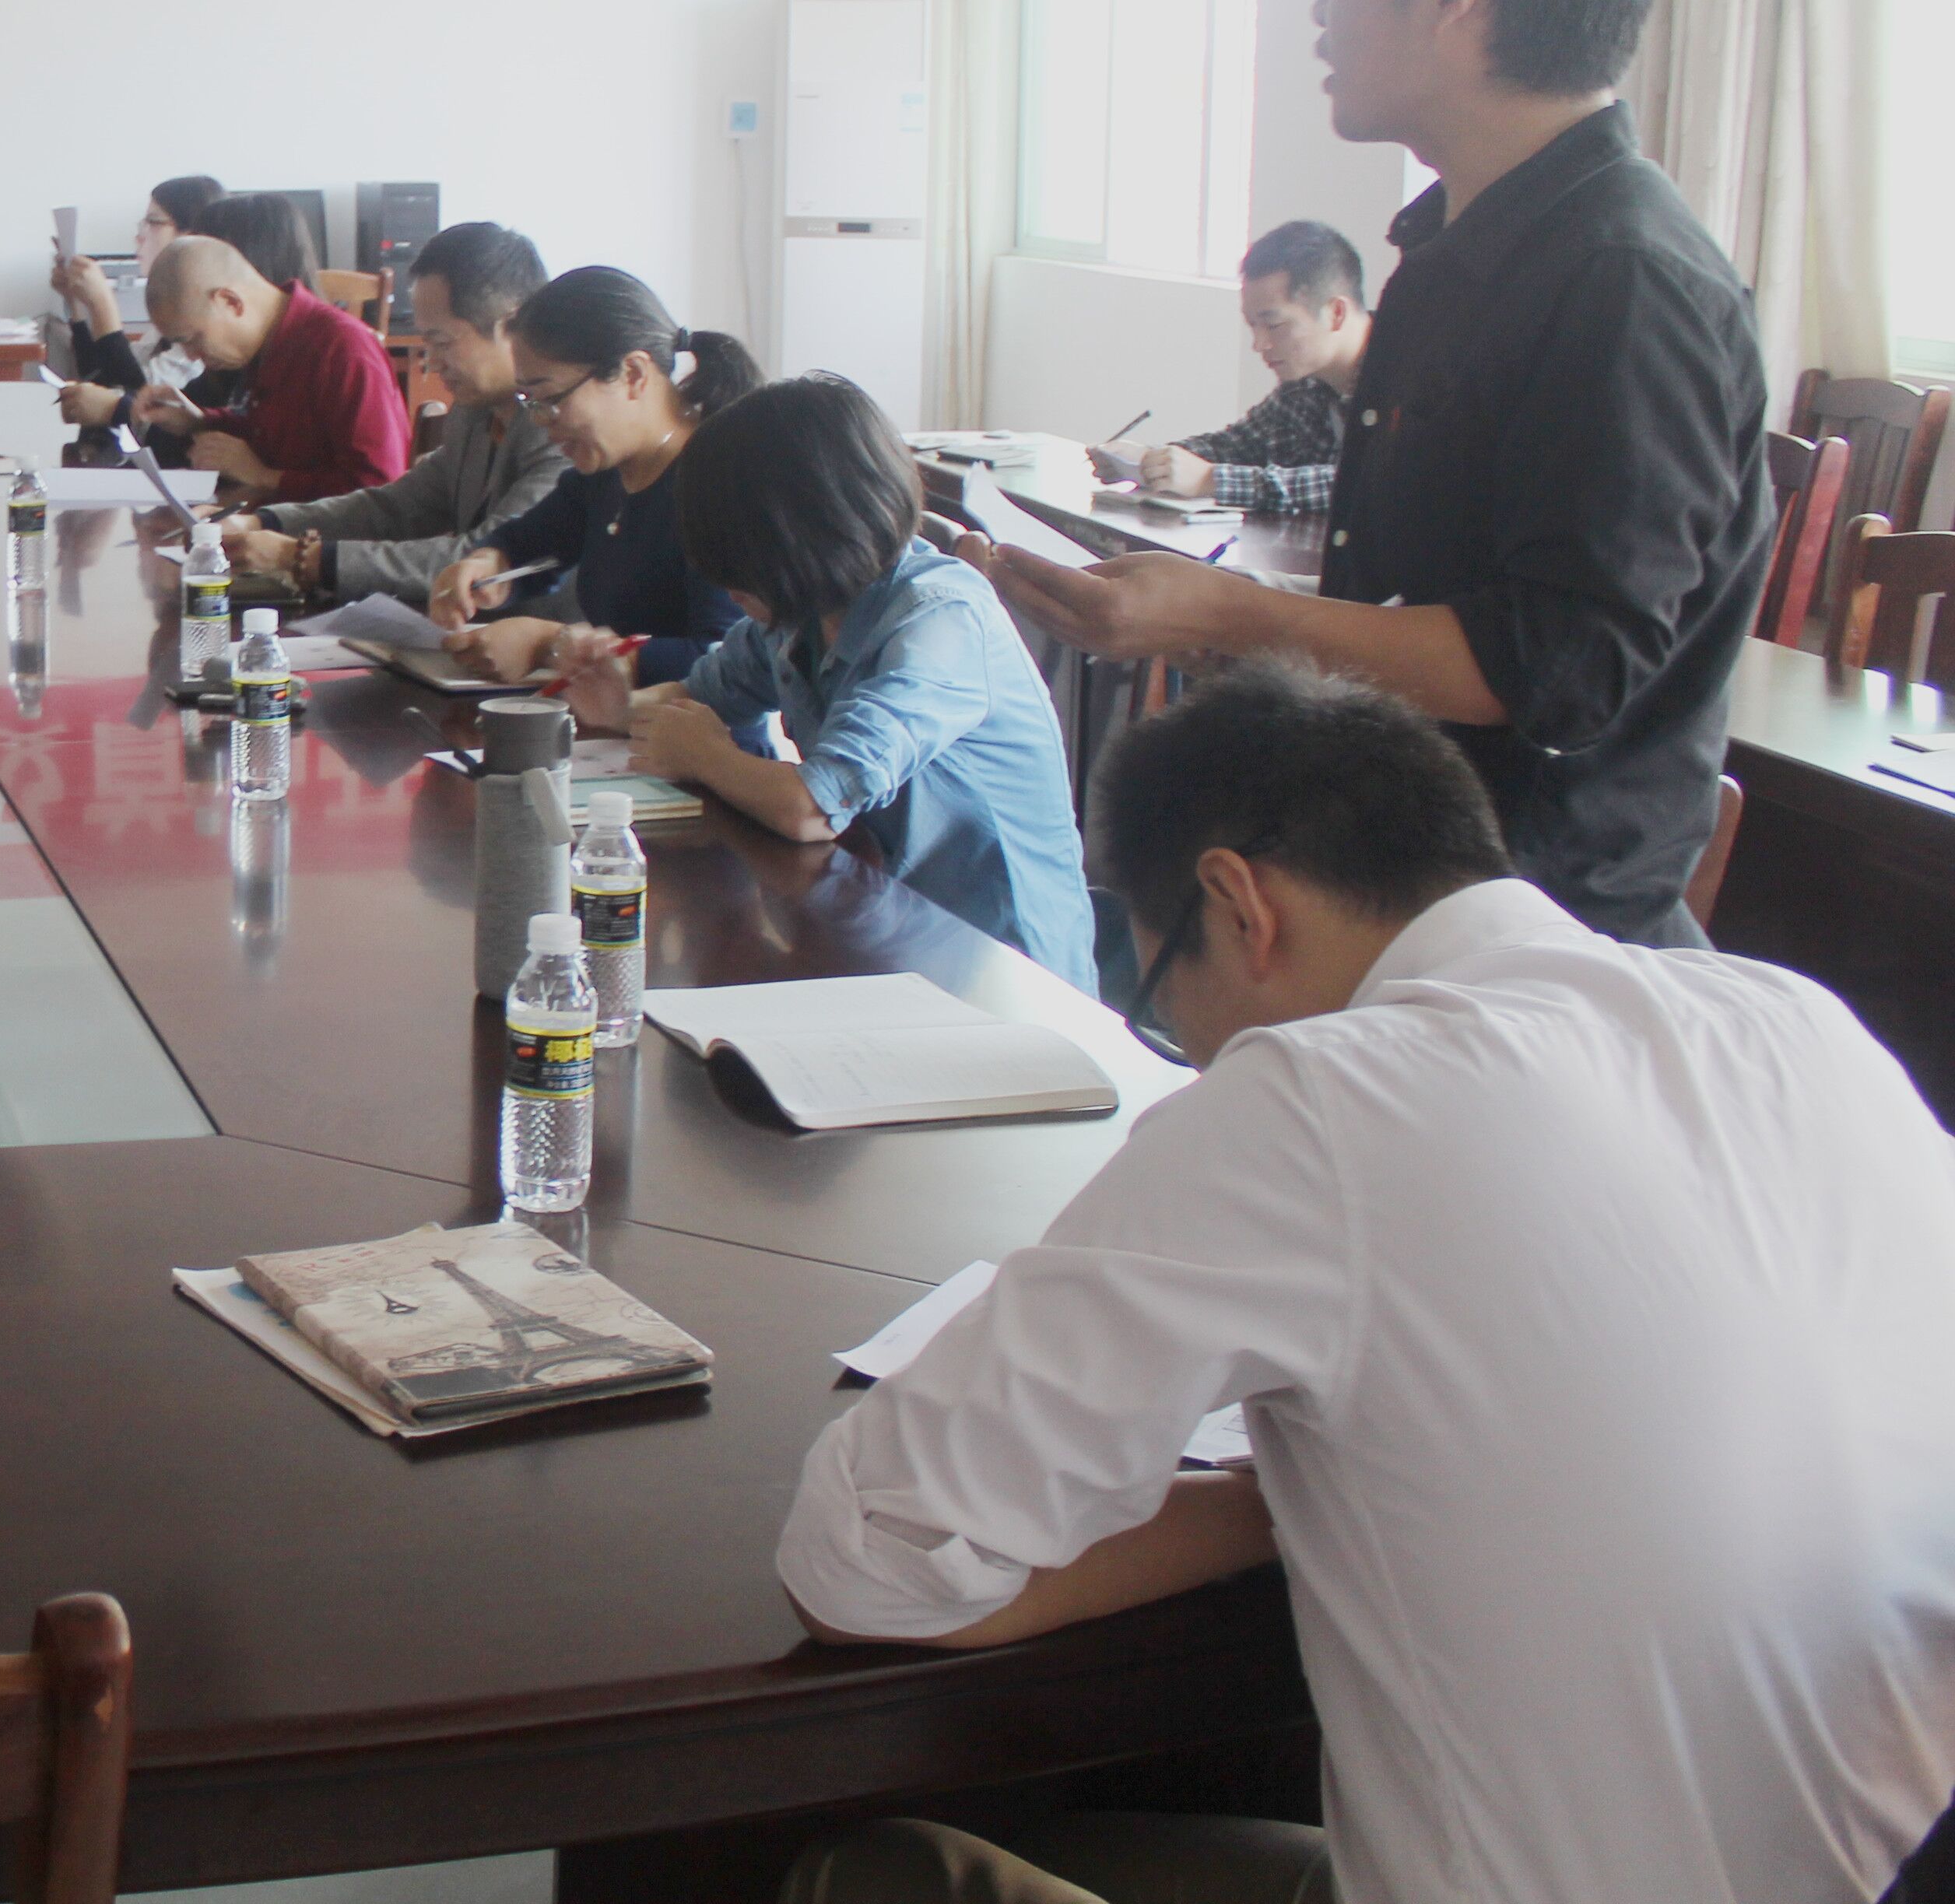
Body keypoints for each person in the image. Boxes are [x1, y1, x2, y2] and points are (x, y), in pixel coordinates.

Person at [774, 664, 1955, 1904]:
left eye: (1166, 1004)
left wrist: (1268, 1503)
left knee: (877, 1872)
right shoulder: (1796, 1020)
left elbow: (869, 1558)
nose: (1191, 1052)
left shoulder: (1321, 1097)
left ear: (1239, 905)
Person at [979, 0, 1766, 947]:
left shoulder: (1625, 278)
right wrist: (1199, 617)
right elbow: (1413, 598)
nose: (1320, 2)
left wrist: (1235, 612)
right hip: (1399, 882)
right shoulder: (1453, 250)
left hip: (1531, 934)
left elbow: (1554, 672)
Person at [634, 376, 1091, 988]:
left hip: (1004, 969)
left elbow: (812, 808)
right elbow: (696, 698)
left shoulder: (938, 621)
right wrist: (623, 706)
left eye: (739, 561)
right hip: (892, 934)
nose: (725, 585)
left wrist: (706, 755)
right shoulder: (800, 609)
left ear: (808, 536)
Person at [425, 267, 760, 715]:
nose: (540, 422)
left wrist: (551, 645)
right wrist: (485, 565)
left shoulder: (720, 488)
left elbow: (726, 659)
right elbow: (530, 541)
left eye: (551, 400)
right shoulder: (606, 471)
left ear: (633, 373)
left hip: (703, 744)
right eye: (529, 402)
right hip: (618, 734)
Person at [226, 223, 565, 607]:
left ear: (511, 326)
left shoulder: (561, 429)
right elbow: (396, 506)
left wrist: (304, 558)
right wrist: (264, 522)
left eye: (442, 342)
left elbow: (484, 560)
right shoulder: (474, 413)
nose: (432, 362)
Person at [1104, 220, 1368, 514]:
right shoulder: (1304, 384)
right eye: (1253, 325)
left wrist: (1210, 480)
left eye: (1274, 325)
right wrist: (1148, 460)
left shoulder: (1403, 382)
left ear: (1336, 313)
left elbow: (1364, 483)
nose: (1259, 344)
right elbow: (1240, 445)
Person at [133, 230, 407, 503]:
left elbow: (380, 490)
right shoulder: (272, 341)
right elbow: (284, 441)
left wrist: (264, 476)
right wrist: (200, 420)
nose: (192, 356)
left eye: (193, 339)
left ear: (231, 302)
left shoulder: (343, 349)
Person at [50, 172, 223, 426]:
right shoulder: (167, 318)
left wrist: (103, 305)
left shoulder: (202, 323)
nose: (139, 236)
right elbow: (103, 385)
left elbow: (136, 402)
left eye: (153, 222)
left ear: (191, 236)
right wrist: (77, 303)